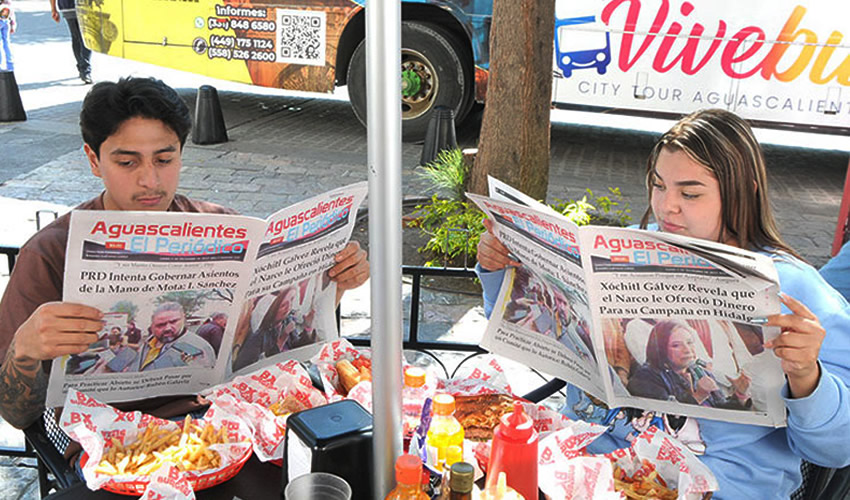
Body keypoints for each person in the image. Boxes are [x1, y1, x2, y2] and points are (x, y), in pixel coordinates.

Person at [476, 108, 850, 498]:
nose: (667, 205)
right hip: (584, 471)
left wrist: (808, 376)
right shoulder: (624, 249)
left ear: (744, 191)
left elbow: (837, 449)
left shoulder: (794, 288)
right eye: (658, 185)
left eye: (690, 193)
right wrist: (502, 271)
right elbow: (537, 343)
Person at [0, 76, 369, 429]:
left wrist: (331, 285)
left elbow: (274, 338)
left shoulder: (224, 228)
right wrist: (25, 350)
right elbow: (14, 412)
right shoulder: (51, 252)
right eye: (127, 162)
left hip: (230, 421)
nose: (150, 180)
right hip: (109, 443)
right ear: (94, 160)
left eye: (164, 159)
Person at [627, 319, 751, 409]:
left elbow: (723, 407)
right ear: (660, 348)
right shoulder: (646, 378)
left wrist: (741, 394)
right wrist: (699, 396)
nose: (687, 350)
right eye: (676, 345)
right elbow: (670, 418)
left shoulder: (700, 372)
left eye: (690, 342)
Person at [132, 302, 214, 371]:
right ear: (152, 326)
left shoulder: (199, 347)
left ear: (183, 319)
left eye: (173, 322)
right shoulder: (147, 343)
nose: (168, 328)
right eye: (161, 325)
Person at [49, 0, 91, 83]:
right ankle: (85, 70)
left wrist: (53, 9)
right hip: (83, 6)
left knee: (77, 37)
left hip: (67, 6)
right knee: (86, 37)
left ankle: (82, 67)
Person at [0, 0, 14, 72]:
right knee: (7, 42)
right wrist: (13, 25)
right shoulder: (8, 2)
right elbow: (11, 11)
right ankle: (10, 64)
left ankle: (0, 65)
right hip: (6, 20)